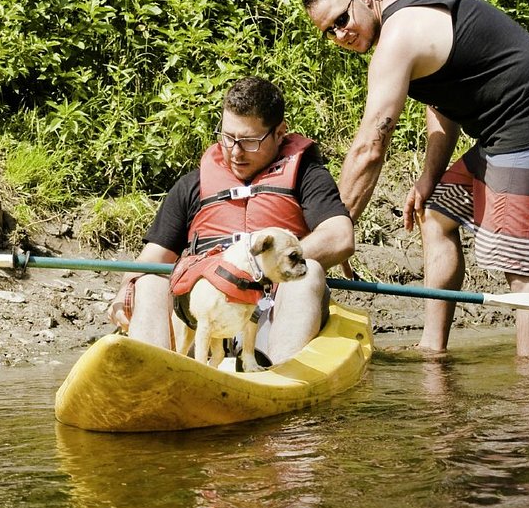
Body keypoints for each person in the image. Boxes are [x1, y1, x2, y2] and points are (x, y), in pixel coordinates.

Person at [302, 0, 529, 358]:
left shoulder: (398, 36)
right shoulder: (403, 21)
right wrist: (428, 177)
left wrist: (336, 230)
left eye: (341, 19)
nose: (340, 35)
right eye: (328, 32)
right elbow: (441, 102)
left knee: (525, 271)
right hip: (507, 135)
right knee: (436, 215)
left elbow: (371, 145)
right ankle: (432, 349)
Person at [107, 77, 355, 364]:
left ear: (280, 132)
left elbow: (339, 236)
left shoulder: (307, 176)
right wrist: (123, 293)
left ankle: (282, 381)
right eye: (228, 138)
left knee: (308, 273)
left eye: (249, 141)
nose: (235, 152)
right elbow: (150, 259)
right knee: (148, 282)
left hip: (273, 312)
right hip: (205, 314)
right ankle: (154, 376)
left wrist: (257, 269)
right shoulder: (193, 185)